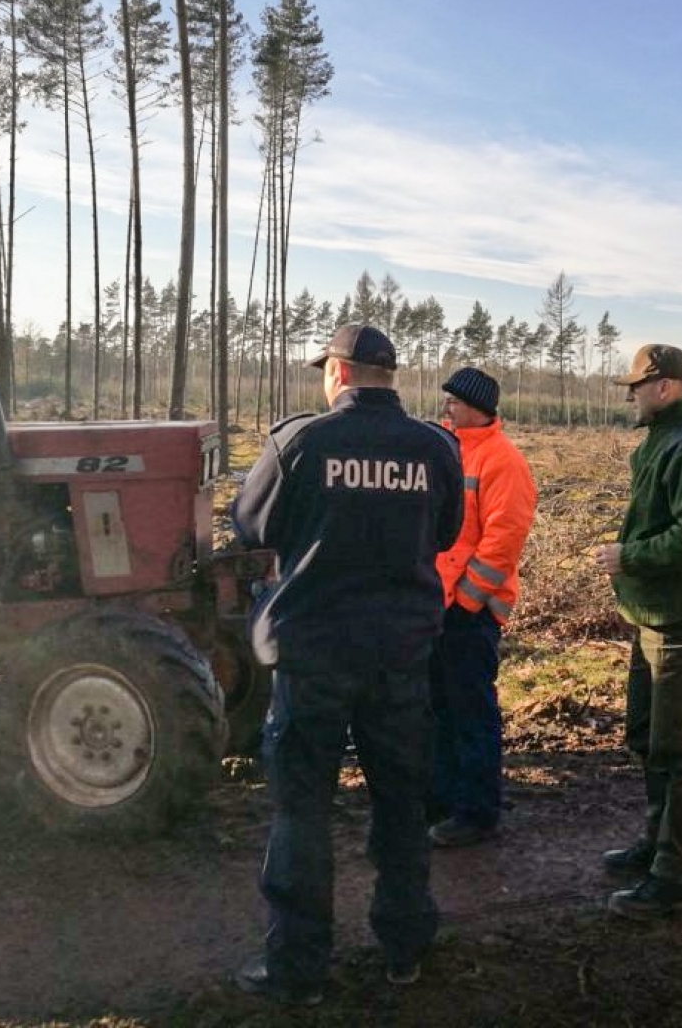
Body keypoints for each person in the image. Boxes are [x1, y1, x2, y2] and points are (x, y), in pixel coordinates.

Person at [229, 323, 464, 1004]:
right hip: (399, 654)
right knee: (400, 805)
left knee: (301, 812)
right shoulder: (433, 447)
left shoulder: (300, 441)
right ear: (389, 375)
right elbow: (444, 531)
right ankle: (405, 949)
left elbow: (252, 526)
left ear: (337, 372)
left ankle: (298, 970)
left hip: (313, 656)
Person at [592, 343, 682, 920]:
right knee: (646, 738)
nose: (630, 395)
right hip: (648, 615)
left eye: (637, 386)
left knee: (674, 752)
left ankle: (673, 877)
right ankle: (655, 846)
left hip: (677, 618)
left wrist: (630, 556)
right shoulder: (661, 441)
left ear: (667, 387)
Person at [427, 367, 537, 848]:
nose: (445, 408)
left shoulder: (502, 460)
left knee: (471, 710)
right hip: (440, 606)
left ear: (475, 407)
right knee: (440, 708)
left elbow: (502, 541)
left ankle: (476, 811)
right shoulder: (449, 450)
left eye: (453, 401)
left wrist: (468, 602)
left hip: (469, 613)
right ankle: (444, 801)